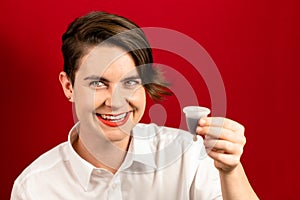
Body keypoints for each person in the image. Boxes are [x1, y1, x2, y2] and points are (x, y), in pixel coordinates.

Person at [11, 11, 259, 200]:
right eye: (98, 83)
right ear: (69, 87)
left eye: (130, 82)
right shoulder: (34, 187)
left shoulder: (190, 155)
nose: (116, 101)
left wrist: (230, 171)